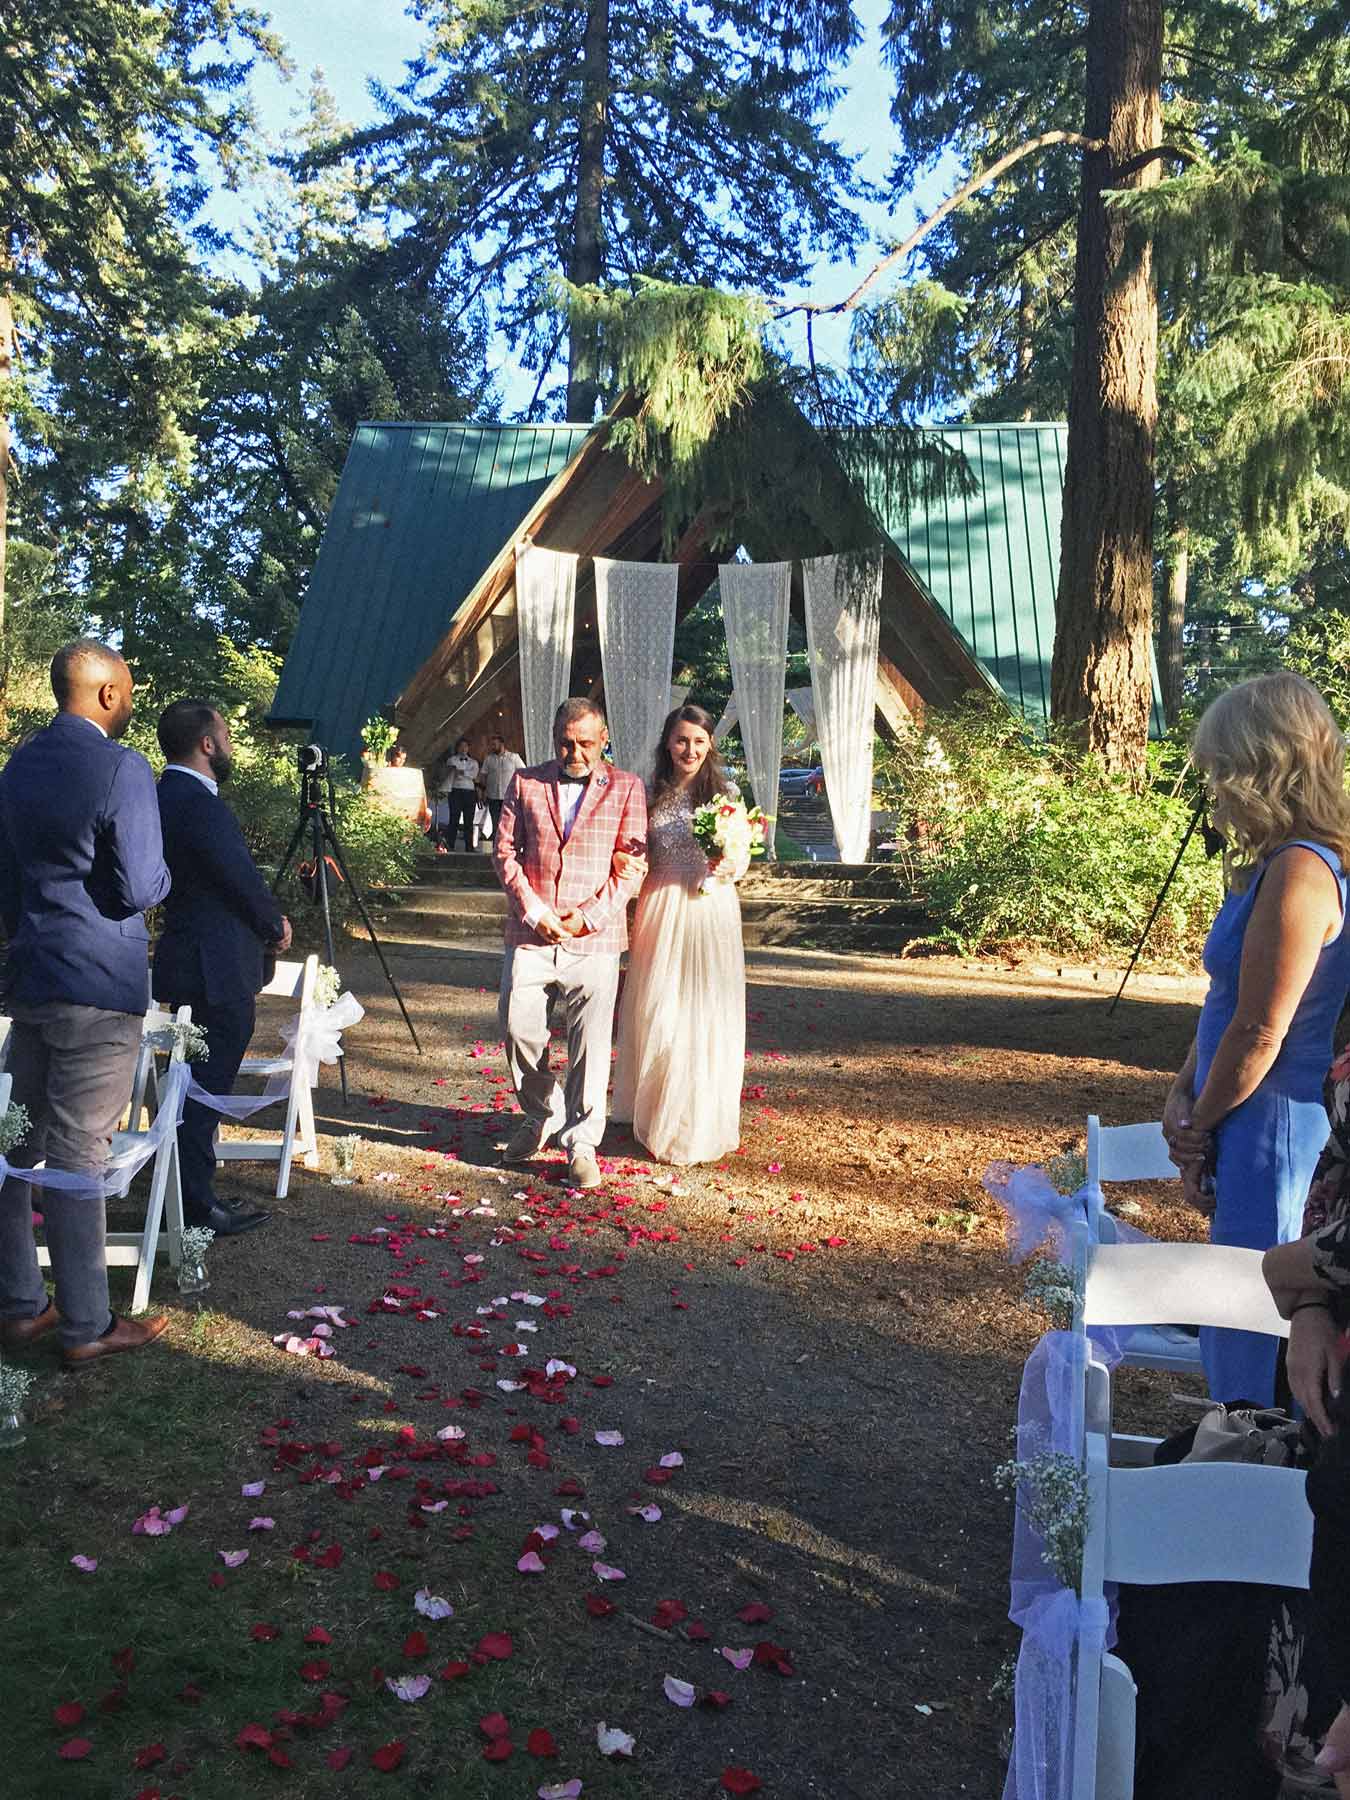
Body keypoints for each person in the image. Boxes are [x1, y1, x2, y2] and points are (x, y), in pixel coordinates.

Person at [1164, 672, 1350, 1405]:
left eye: (1219, 768)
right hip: (1236, 1110)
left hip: (1271, 1123)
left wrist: (1200, 1126)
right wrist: (1184, 1086)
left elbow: (1262, 1027)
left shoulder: (1303, 869)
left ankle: (1254, 1452)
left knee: (1254, 1314)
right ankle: (1234, 1441)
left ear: (1260, 767)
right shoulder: (1271, 864)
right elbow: (1227, 999)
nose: (1212, 787)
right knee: (1230, 1308)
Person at [0, 640, 171, 1367]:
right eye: (127, 692)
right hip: (98, 980)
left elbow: (6, 883)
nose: (130, 705)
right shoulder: (121, 767)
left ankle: (19, 1303)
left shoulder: (17, 766)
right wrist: (161, 881)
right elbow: (140, 885)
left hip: (31, 972)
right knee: (77, 1152)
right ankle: (87, 1324)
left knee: (14, 1146)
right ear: (107, 694)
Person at [492, 697, 647, 1189]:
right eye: (565, 743)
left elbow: (630, 866)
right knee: (517, 1026)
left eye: (585, 743)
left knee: (590, 1044)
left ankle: (581, 1143)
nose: (574, 753)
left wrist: (587, 916)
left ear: (604, 740)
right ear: (553, 738)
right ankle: (542, 1113)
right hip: (531, 932)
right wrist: (535, 912)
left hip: (595, 937)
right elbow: (504, 852)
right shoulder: (525, 781)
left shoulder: (627, 787)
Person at [153, 701, 291, 1238]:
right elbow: (236, 877)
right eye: (226, 735)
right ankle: (195, 1201)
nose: (230, 745)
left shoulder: (162, 795)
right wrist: (273, 923)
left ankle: (189, 1187)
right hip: (215, 966)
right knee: (202, 1088)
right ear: (207, 744)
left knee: (190, 1079)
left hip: (191, 957)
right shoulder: (197, 803)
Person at [612, 703, 749, 1165]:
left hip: (710, 908)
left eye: (698, 741)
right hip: (660, 906)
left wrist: (728, 865)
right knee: (659, 1006)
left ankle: (694, 1116)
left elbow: (741, 854)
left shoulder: (725, 793)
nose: (689, 749)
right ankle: (655, 1108)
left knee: (703, 1008)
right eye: (681, 740)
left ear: (710, 744)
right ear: (668, 743)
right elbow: (634, 848)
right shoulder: (649, 793)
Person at [362, 743, 431, 833]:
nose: (401, 761)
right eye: (399, 758)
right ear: (393, 757)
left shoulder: (406, 773)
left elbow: (420, 793)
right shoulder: (384, 770)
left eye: (404, 759)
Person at [479, 732, 524, 842]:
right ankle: (496, 845)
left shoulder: (513, 757)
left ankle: (508, 844)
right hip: (493, 796)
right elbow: (483, 776)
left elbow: (523, 773)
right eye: (492, 745)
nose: (493, 747)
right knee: (495, 823)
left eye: (495, 744)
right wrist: (482, 792)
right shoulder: (489, 759)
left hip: (509, 796)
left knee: (508, 823)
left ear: (502, 744)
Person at [439, 736, 479, 852]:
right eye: (461, 746)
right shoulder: (452, 760)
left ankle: (469, 847)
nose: (463, 749)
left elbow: (474, 775)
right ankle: (450, 845)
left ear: (468, 748)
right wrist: (465, 773)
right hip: (456, 791)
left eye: (465, 746)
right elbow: (452, 773)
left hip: (469, 792)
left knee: (469, 821)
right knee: (454, 819)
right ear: (457, 748)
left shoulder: (473, 762)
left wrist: (462, 772)